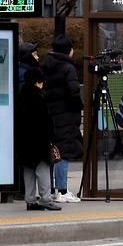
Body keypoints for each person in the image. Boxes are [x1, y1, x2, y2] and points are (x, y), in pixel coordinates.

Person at [42, 34, 82, 203]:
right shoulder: (68, 68)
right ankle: (63, 191)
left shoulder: (45, 65)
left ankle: (50, 189)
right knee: (63, 152)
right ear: (69, 50)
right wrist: (78, 107)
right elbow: (73, 92)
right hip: (65, 115)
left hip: (49, 113)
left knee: (52, 151)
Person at [18, 68, 61, 211]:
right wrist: (52, 138)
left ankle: (30, 201)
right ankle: (45, 199)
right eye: (41, 82)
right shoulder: (39, 98)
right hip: (39, 141)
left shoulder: (21, 96)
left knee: (28, 170)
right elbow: (46, 122)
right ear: (37, 82)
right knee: (43, 169)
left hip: (24, 141)